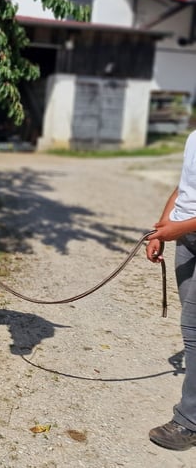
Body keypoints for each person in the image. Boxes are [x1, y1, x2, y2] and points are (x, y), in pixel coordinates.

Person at [147, 129, 196, 450]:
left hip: (187, 231)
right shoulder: (194, 137)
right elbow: (183, 190)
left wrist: (181, 227)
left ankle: (189, 422)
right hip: (187, 242)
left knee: (194, 330)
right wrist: (161, 229)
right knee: (191, 330)